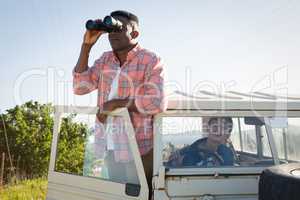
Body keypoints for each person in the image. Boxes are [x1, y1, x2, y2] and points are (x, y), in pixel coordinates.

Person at [73, 10, 166, 198]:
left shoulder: (150, 60)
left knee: (140, 195)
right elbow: (79, 88)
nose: (112, 33)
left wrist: (115, 103)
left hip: (139, 148)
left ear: (135, 33)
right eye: (110, 29)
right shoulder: (105, 59)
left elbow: (157, 101)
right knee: (116, 196)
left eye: (118, 28)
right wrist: (86, 46)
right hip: (110, 146)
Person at [167, 117, 235, 167]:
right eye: (215, 126)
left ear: (228, 134)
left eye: (223, 128)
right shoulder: (186, 152)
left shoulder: (228, 154)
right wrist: (178, 165)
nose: (218, 130)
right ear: (208, 129)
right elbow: (169, 171)